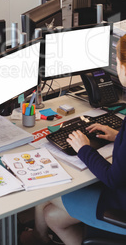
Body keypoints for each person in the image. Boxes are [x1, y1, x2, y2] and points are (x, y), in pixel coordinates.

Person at [21, 34, 126, 245]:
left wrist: (84, 149)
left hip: (118, 205)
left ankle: (38, 238)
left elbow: (113, 179)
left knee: (47, 196)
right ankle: (40, 237)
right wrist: (118, 136)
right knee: (51, 216)